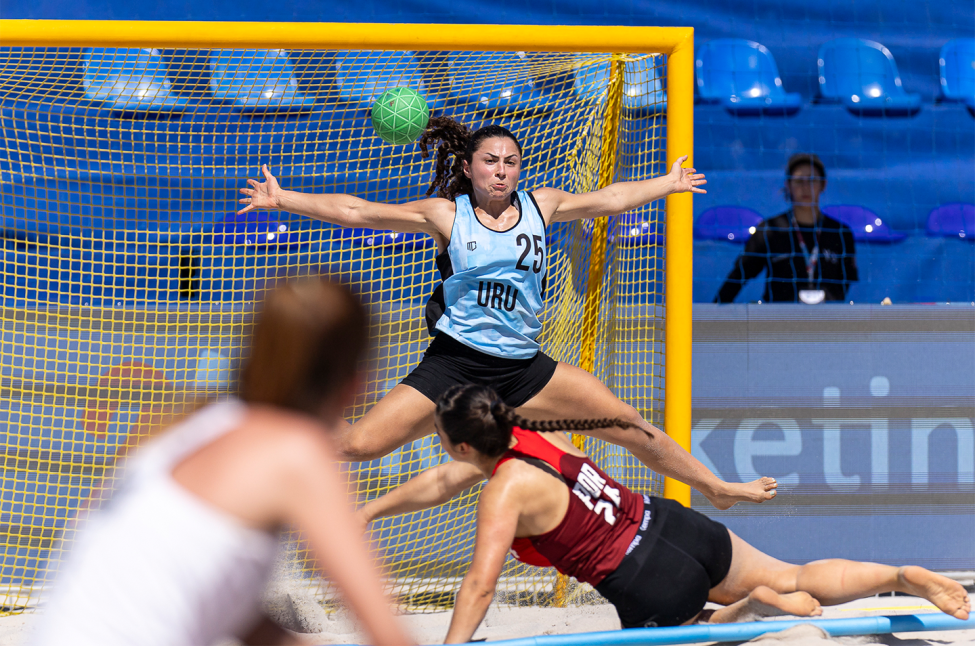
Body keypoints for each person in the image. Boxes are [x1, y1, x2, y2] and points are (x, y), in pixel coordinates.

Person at [238, 117, 776, 510]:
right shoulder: (447, 215)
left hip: (523, 369)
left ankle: (718, 489)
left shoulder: (544, 205)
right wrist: (285, 199)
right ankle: (253, 448)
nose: (500, 169)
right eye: (490, 160)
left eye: (509, 161)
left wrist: (669, 183)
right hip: (455, 364)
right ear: (469, 168)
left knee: (628, 424)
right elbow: (358, 212)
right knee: (356, 444)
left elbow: (611, 198)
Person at [359, 384, 971, 643]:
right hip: (675, 525)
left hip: (648, 580)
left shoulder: (503, 492)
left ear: (464, 445)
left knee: (715, 629)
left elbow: (480, 582)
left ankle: (749, 610)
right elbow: (443, 481)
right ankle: (897, 577)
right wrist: (370, 512)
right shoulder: (535, 438)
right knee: (796, 573)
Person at [32, 279, 413, 646]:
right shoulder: (297, 455)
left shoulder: (188, 423)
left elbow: (170, 593)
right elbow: (386, 634)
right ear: (358, 382)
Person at [715, 153, 858, 303]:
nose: (805, 187)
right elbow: (739, 276)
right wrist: (713, 316)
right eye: (798, 181)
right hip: (778, 322)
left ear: (823, 185)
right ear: (788, 185)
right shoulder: (770, 230)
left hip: (827, 322)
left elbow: (846, 281)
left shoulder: (841, 233)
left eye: (812, 180)